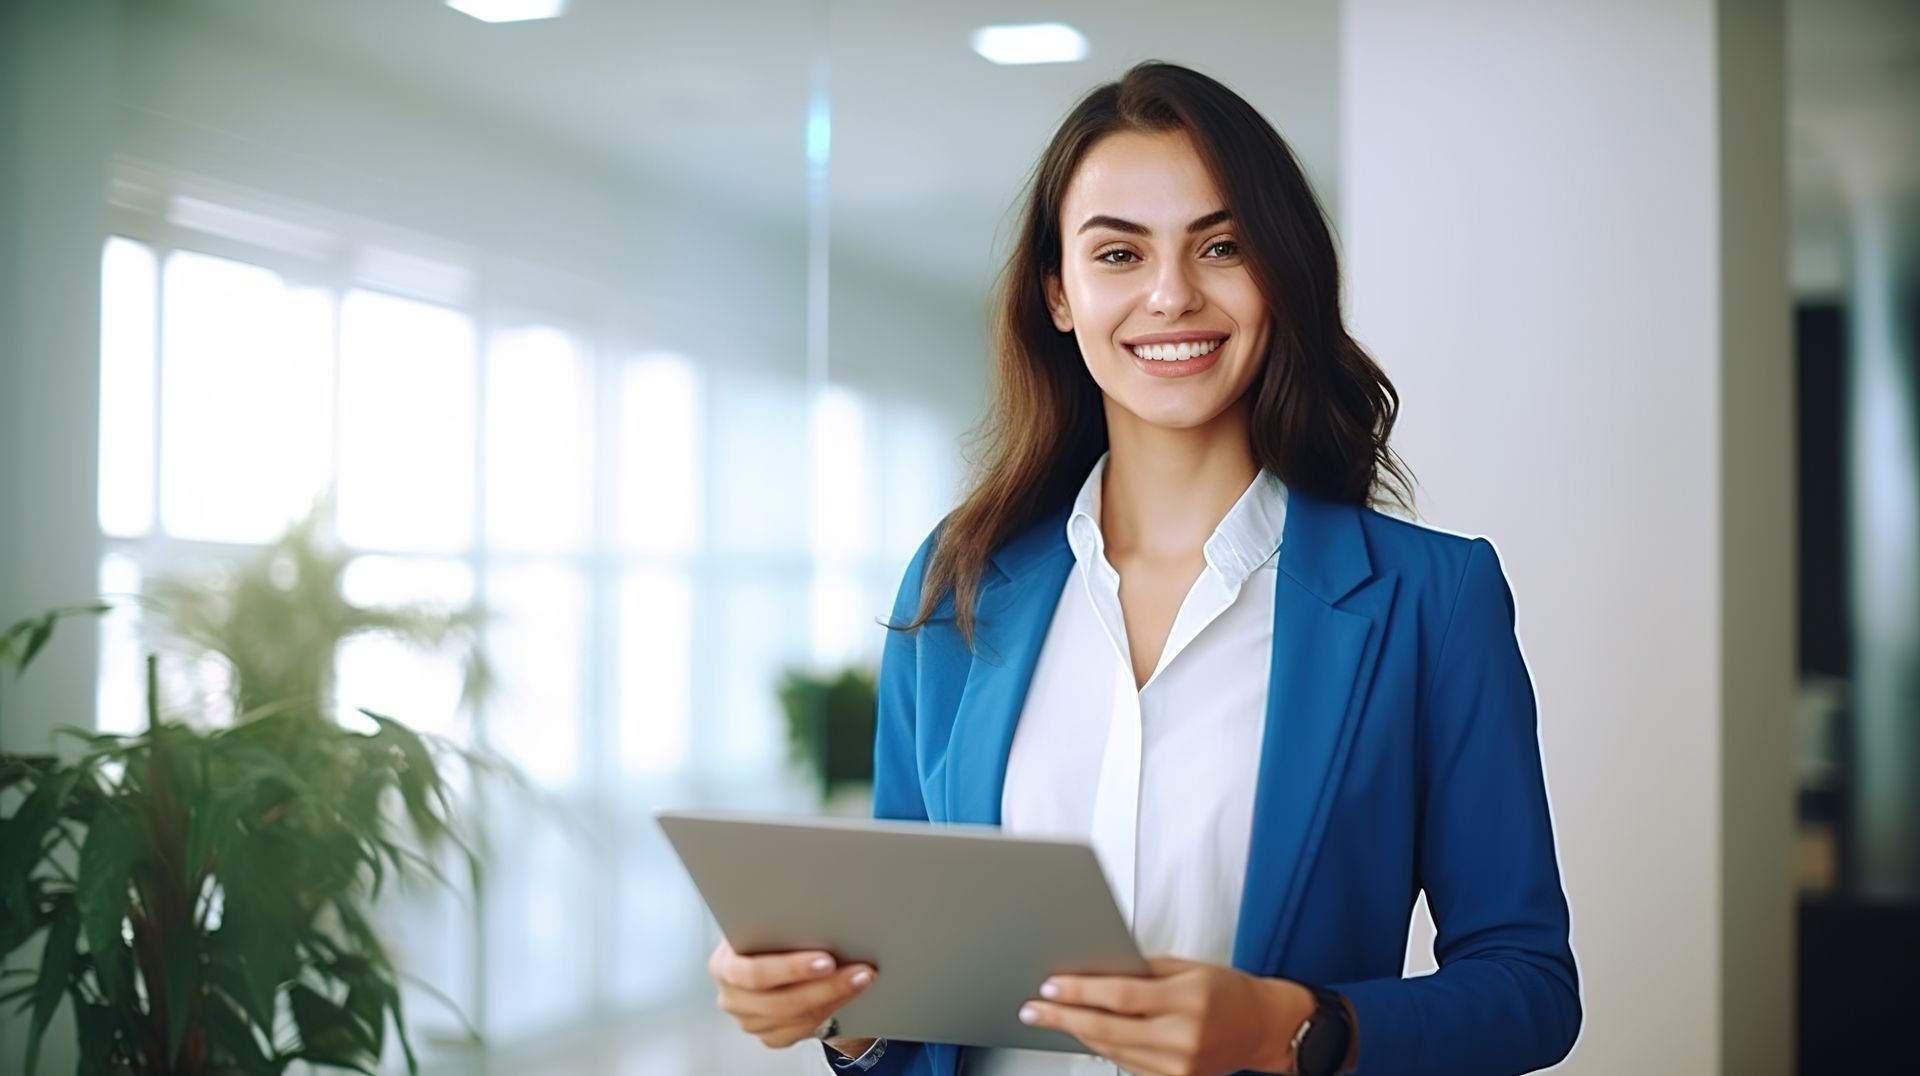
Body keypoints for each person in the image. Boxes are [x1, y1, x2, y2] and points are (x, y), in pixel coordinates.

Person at [708, 61, 1580, 1076]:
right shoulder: (958, 583)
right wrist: (835, 1006)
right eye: (1118, 251)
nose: (1171, 293)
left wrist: (1283, 1025)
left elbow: (1529, 985)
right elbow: (909, 995)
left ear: (1280, 275)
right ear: (1059, 293)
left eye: (1222, 245)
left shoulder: (1431, 601)